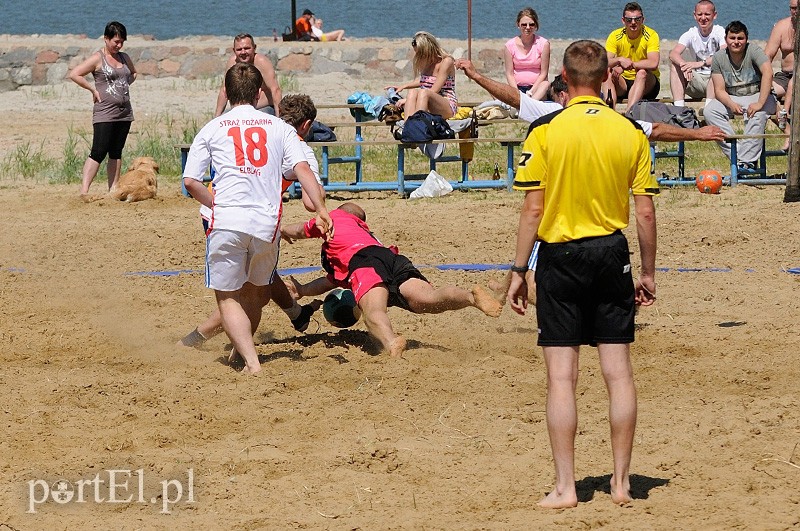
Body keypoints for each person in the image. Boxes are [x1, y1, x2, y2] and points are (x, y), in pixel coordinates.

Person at [507, 40, 657, 508]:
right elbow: (645, 213)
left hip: (561, 255)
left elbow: (533, 209)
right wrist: (648, 273)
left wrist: (516, 270)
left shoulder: (545, 129)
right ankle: (620, 483)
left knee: (561, 379)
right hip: (612, 252)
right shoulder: (630, 130)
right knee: (618, 374)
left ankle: (566, 487)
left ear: (565, 82)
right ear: (607, 80)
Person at [183, 63, 332, 375]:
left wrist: (216, 205)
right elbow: (303, 171)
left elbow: (190, 182)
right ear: (260, 92)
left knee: (228, 296)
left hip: (225, 218)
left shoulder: (213, 128)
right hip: (267, 221)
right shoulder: (281, 129)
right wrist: (321, 209)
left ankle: (249, 360)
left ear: (226, 92)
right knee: (256, 293)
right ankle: (280, 325)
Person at [281, 203, 503, 357]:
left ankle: (390, 342)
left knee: (372, 312)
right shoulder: (365, 232)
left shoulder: (335, 218)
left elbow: (302, 229)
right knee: (428, 299)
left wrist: (282, 229)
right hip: (390, 258)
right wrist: (303, 290)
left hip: (364, 262)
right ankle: (470, 297)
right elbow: (331, 281)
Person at [456, 58, 726, 143]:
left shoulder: (552, 112)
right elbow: (654, 130)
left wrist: (477, 75)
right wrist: (696, 134)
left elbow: (515, 98)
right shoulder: (612, 118)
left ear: (565, 92)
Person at [68, 21, 137, 197]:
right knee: (98, 151)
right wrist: (92, 89)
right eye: (116, 41)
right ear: (106, 39)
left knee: (116, 151)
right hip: (104, 112)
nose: (119, 45)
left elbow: (133, 73)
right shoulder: (98, 58)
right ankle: (84, 191)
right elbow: (75, 74)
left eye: (122, 41)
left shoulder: (124, 57)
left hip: (124, 113)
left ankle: (113, 190)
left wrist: (124, 86)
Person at [705, 21, 777, 170]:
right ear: (726, 39)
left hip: (758, 94)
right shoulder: (719, 57)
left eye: (740, 38)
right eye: (732, 38)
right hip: (732, 96)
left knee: (758, 114)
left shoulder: (754, 51)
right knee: (710, 111)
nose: (736, 42)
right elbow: (719, 90)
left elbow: (768, 73)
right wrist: (731, 104)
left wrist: (759, 103)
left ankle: (746, 162)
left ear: (746, 39)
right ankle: (738, 155)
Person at [603, 2, 661, 111]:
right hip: (623, 84)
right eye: (629, 20)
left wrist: (629, 65)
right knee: (606, 73)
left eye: (637, 19)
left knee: (642, 72)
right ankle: (610, 110)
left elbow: (653, 63)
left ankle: (630, 114)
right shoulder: (615, 36)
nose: (633, 23)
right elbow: (604, 62)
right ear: (623, 20)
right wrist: (619, 60)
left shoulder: (651, 35)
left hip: (647, 85)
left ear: (642, 20)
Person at [387, 32, 458, 119]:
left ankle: (418, 126)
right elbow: (425, 80)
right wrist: (404, 86)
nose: (418, 56)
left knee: (423, 92)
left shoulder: (446, 61)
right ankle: (408, 128)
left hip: (446, 104)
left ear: (428, 49)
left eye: (420, 53)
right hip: (426, 101)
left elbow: (434, 90)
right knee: (412, 92)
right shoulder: (426, 63)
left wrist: (407, 100)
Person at [668, 0, 726, 106]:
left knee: (718, 66)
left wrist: (700, 63)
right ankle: (679, 110)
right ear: (695, 15)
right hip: (696, 80)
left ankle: (709, 109)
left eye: (707, 14)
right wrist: (684, 65)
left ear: (714, 15)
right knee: (675, 66)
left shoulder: (720, 32)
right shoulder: (690, 34)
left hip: (717, 82)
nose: (703, 18)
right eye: (700, 14)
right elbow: (673, 53)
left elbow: (724, 55)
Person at [215, 33, 282, 117]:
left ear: (254, 48)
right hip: (239, 108)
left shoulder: (261, 62)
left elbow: (275, 90)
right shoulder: (232, 62)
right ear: (234, 50)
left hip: (264, 107)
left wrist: (279, 117)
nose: (243, 52)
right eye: (239, 49)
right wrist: (217, 116)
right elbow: (224, 90)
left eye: (247, 48)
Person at [765, 0, 797, 150]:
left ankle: (785, 111)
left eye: (797, 8)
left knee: (795, 82)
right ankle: (788, 133)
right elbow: (767, 56)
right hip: (784, 76)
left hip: (797, 78)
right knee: (764, 93)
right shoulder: (782, 26)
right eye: (792, 8)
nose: (794, 12)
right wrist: (765, 78)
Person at [504, 7, 551, 100]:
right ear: (518, 25)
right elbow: (509, 73)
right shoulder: (509, 45)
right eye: (524, 25)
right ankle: (522, 104)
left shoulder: (544, 44)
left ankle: (529, 104)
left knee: (546, 84)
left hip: (536, 88)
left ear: (536, 26)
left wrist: (531, 92)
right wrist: (516, 92)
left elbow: (544, 73)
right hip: (517, 88)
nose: (528, 27)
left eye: (531, 24)